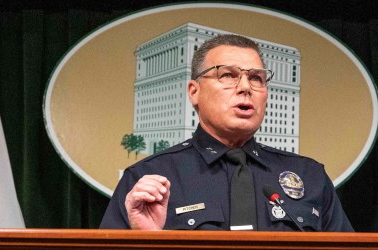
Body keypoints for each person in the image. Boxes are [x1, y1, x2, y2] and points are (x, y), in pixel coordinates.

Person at [100, 33, 353, 232]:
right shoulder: (148, 179)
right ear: (194, 91)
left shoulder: (310, 177)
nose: (245, 87)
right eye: (228, 75)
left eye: (256, 78)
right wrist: (148, 242)